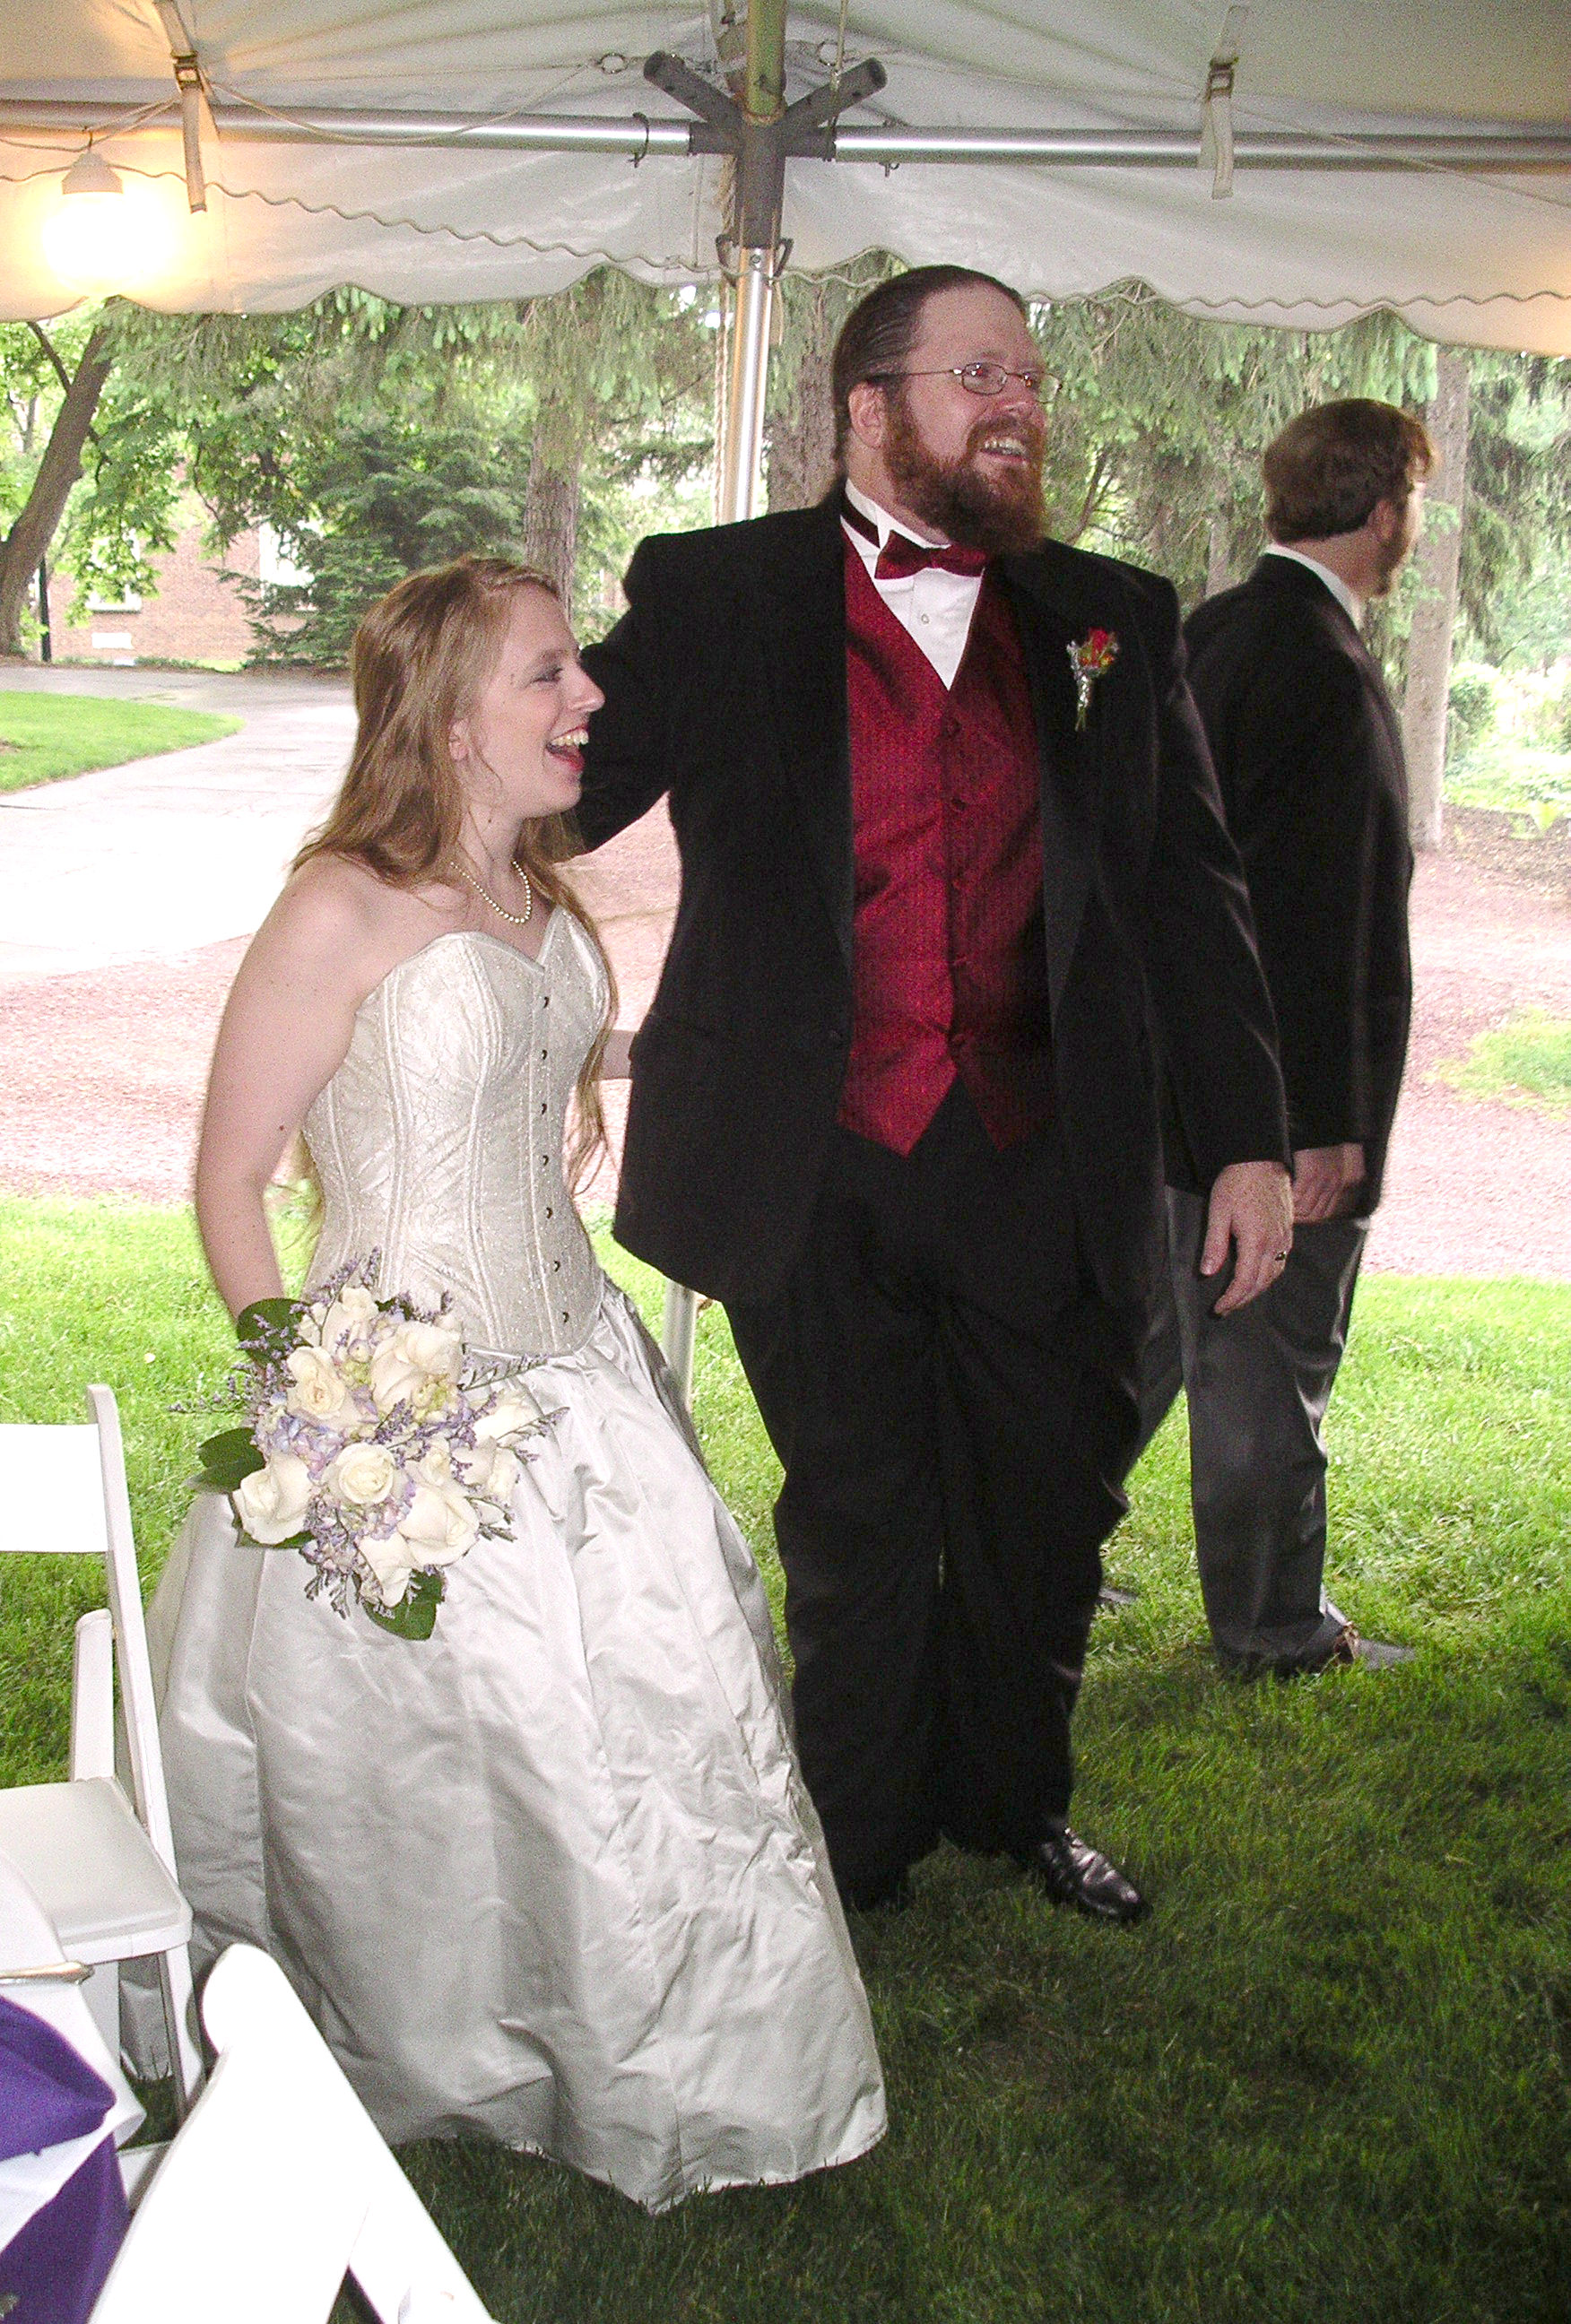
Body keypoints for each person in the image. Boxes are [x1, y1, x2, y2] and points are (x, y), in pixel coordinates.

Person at [148, 557, 885, 2214]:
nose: (591, 696)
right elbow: (232, 1181)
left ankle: (654, 2039)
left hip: (577, 1374)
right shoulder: (339, 906)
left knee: (650, 1730)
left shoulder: (537, 902)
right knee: (421, 1762)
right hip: (395, 1404)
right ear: (452, 718)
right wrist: (320, 1408)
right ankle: (415, 2039)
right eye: (550, 673)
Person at [577, 266, 1292, 1927]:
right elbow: (564, 783)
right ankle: (860, 1842)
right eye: (980, 376)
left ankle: (1013, 1803)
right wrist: (404, 866)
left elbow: (1191, 893)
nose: (1018, 406)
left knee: (1048, 1504)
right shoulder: (719, 593)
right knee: (856, 1515)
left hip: (1047, 1152)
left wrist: (1249, 1143)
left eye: (1028, 380)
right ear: (870, 405)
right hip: (808, 1155)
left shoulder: (1112, 615)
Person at [1133, 399, 1434, 1677]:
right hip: (1266, 1106)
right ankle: (1273, 1628)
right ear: (1386, 513)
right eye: (1414, 503)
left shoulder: (1207, 633)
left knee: (1141, 1350)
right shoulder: (1319, 664)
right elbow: (1313, 923)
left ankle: (1028, 1548)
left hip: (1166, 1082)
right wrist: (1321, 1123)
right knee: (1263, 1361)